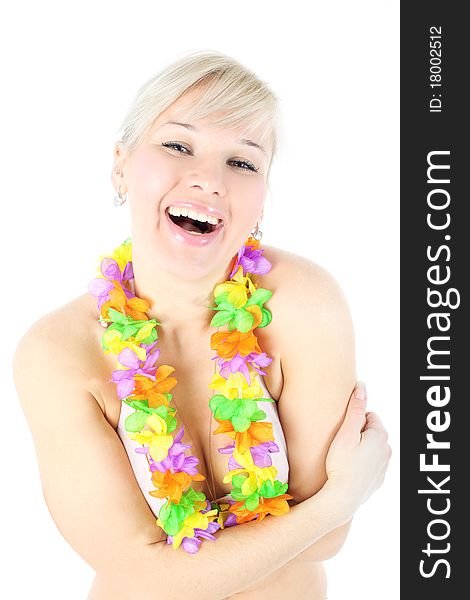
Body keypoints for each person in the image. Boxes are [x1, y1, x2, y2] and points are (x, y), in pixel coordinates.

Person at [12, 49, 391, 599]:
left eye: (243, 162)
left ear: (262, 197)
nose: (209, 179)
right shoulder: (57, 354)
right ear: (120, 163)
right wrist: (338, 501)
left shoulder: (304, 303)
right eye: (177, 144)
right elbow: (141, 573)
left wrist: (330, 520)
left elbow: (328, 544)